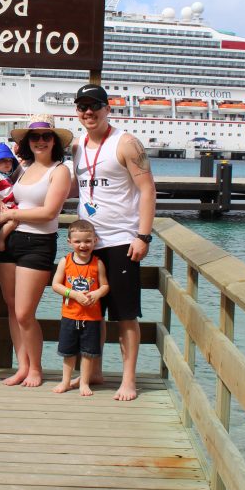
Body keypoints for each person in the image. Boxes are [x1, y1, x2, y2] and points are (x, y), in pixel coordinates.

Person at [72, 83, 157, 401]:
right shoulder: (77, 145)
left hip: (122, 240)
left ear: (108, 108)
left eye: (94, 105)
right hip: (87, 244)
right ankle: (93, 371)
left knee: (124, 315)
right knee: (91, 311)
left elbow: (147, 189)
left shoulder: (126, 143)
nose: (88, 112)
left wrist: (143, 236)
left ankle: (128, 380)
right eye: (82, 106)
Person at [0, 114, 73, 387]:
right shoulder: (23, 167)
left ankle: (36, 368)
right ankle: (22, 366)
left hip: (38, 244)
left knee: (24, 313)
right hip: (10, 242)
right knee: (11, 308)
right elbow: (3, 191)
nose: (40, 141)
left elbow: (50, 212)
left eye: (46, 136)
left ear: (55, 141)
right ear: (27, 141)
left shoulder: (60, 170)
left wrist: (9, 217)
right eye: (35, 137)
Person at [51, 219, 109, 396]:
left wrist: (97, 294)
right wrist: (73, 294)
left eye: (87, 241)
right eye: (77, 241)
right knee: (68, 352)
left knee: (88, 352)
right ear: (69, 242)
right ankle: (66, 381)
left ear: (94, 241)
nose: (83, 245)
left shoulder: (97, 263)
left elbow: (105, 286)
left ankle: (84, 382)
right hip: (70, 315)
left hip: (91, 317)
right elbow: (56, 284)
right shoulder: (65, 261)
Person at [0, 143, 20, 253]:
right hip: (2, 206)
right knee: (14, 221)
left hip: (9, 205)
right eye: (2, 160)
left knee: (15, 219)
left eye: (9, 160)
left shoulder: (7, 176)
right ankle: (0, 238)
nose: (7, 163)